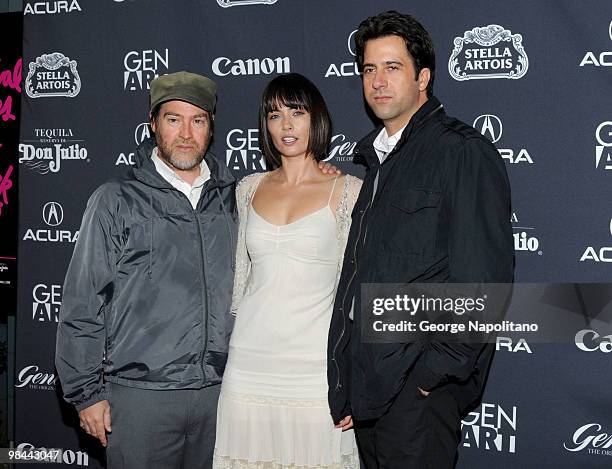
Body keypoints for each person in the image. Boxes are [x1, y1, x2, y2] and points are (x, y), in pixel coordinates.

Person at [327, 11, 514, 469]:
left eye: (393, 67)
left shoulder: (461, 151)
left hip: (418, 394)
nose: (378, 81)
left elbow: (483, 283)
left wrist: (430, 375)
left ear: (423, 77)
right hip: (371, 385)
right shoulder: (376, 161)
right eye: (369, 69)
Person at [55, 71, 237, 469]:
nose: (186, 133)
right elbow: (83, 303)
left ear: (211, 128)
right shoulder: (115, 200)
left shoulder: (236, 198)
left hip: (222, 399)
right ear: (153, 124)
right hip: (140, 399)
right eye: (174, 119)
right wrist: (86, 393)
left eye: (198, 120)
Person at [213, 73, 361, 469]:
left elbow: (357, 294)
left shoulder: (349, 191)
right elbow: (242, 282)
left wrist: (350, 378)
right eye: (275, 115)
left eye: (297, 112)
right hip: (248, 364)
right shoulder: (247, 189)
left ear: (317, 119)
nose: (287, 125)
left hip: (315, 369)